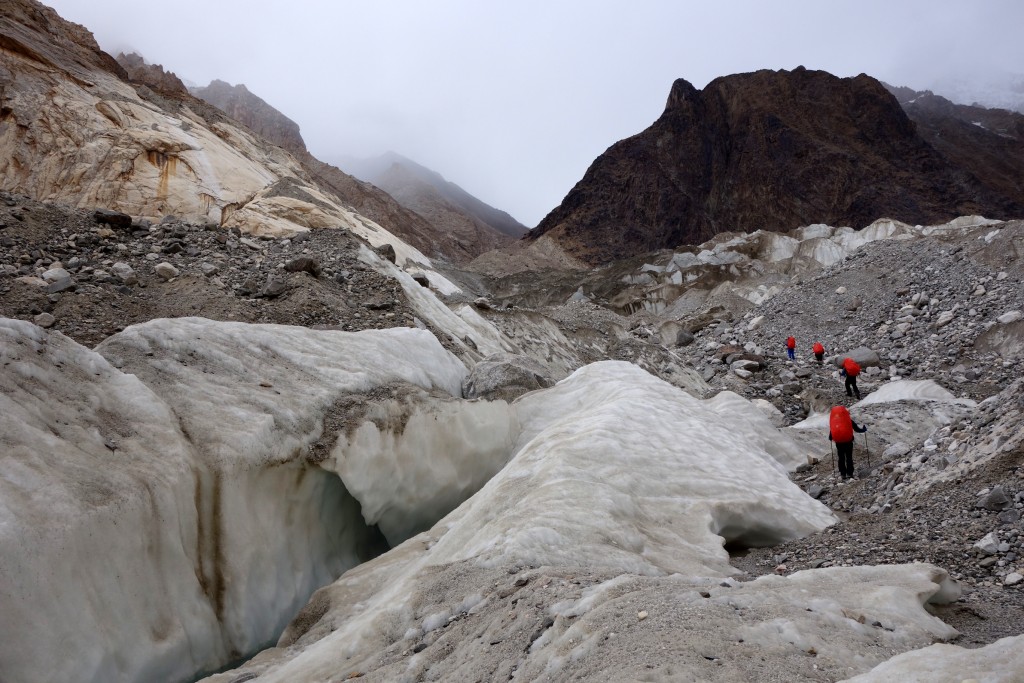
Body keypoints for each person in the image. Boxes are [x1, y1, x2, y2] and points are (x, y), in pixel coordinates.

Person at [829, 405, 867, 480]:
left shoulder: (835, 422)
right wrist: (863, 429)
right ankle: (850, 473)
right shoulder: (848, 420)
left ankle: (843, 474)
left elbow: (832, 433)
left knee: (841, 457)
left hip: (839, 443)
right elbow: (857, 429)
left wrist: (830, 438)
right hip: (848, 441)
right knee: (849, 457)